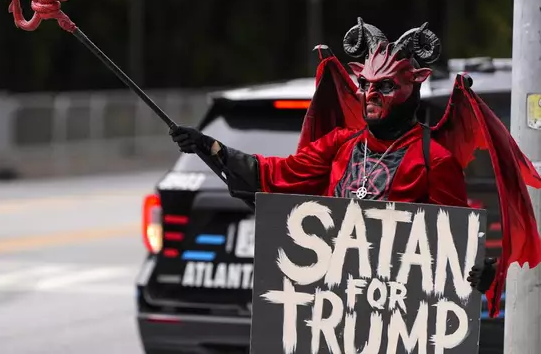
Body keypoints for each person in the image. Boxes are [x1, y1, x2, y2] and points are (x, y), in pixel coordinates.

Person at [169, 18, 541, 318]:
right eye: (365, 85)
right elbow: (273, 175)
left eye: (385, 87)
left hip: (397, 317)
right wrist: (209, 146)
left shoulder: (435, 159)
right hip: (334, 311)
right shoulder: (341, 144)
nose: (371, 96)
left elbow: (451, 242)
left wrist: (483, 272)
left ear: (413, 85)